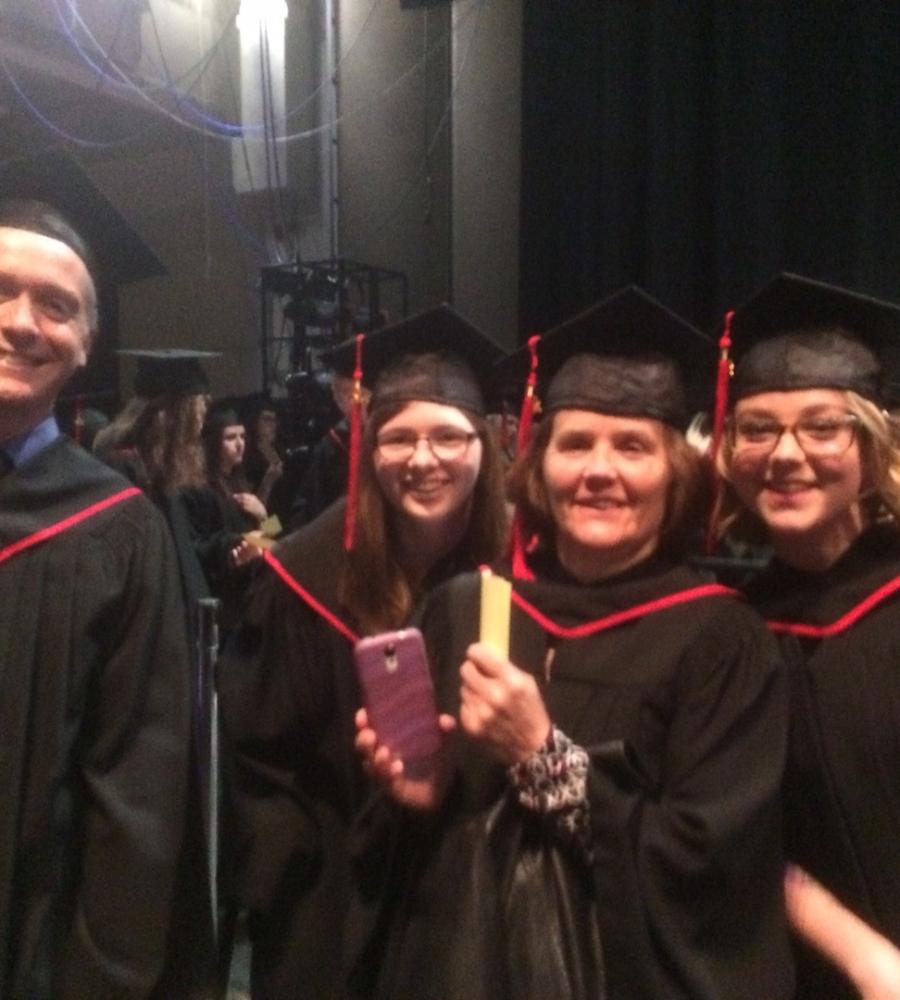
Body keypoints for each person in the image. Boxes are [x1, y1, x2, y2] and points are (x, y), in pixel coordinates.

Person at [357, 287, 794, 1000]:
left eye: (632, 447)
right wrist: (413, 798)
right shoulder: (468, 607)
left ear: (675, 473)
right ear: (539, 463)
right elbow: (401, 870)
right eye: (575, 443)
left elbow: (714, 873)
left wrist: (544, 759)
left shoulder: (720, 640)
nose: (599, 470)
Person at [217, 305, 509, 999]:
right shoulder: (304, 577)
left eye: (447, 436)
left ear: (484, 446)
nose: (422, 458)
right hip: (336, 899)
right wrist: (299, 889)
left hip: (484, 896)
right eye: (397, 437)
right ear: (368, 448)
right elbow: (260, 756)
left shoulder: (527, 566)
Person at [0, 200, 194, 996]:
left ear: (86, 347)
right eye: (1, 290)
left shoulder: (117, 533)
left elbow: (135, 804)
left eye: (58, 306)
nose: (22, 323)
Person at [713, 273, 900, 999]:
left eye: (823, 426)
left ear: (872, 437)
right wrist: (861, 955)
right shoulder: (726, 624)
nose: (786, 455)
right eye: (758, 428)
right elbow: (732, 833)